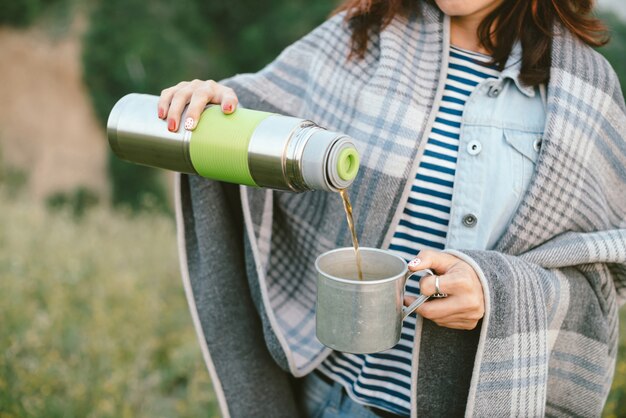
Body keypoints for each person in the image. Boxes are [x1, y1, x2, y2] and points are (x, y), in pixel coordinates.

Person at [159, 0, 626, 416]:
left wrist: (496, 289)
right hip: (331, 399)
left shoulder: (584, 91)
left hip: (477, 403)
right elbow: (265, 120)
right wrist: (218, 111)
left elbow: (603, 273)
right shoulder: (359, 37)